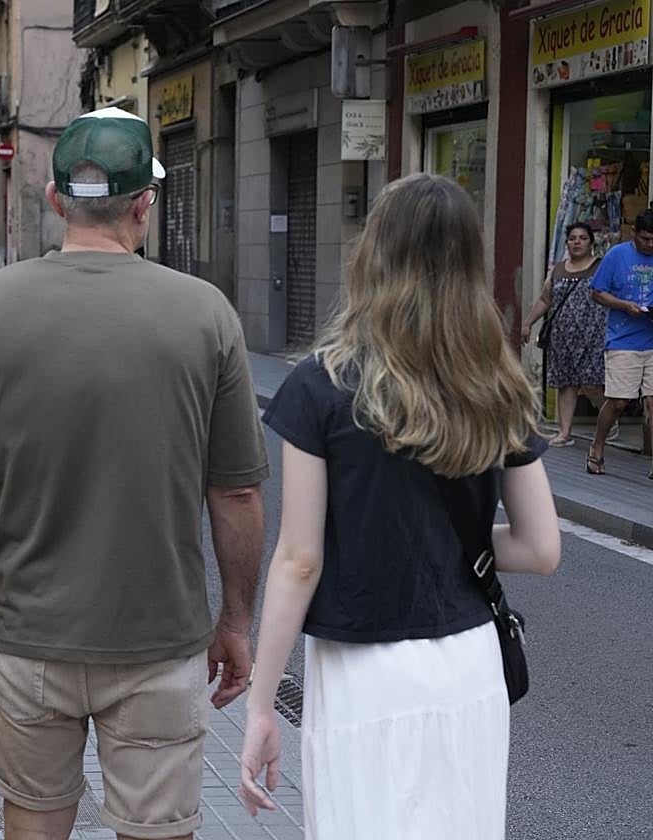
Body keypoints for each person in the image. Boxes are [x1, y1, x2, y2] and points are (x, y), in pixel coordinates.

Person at [0, 106, 270, 840]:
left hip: (28, 637)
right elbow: (235, 491)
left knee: (34, 825)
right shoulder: (206, 316)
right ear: (145, 204)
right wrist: (234, 621)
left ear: (53, 199)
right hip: (159, 641)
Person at [238, 174, 561, 840]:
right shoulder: (496, 380)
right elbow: (540, 548)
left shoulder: (321, 383)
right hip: (471, 669)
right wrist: (450, 546)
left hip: (365, 672)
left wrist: (262, 704)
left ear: (373, 256)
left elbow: (300, 560)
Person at [521, 223, 606, 446]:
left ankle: (609, 417)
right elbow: (545, 300)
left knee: (593, 383)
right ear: (566, 242)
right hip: (563, 338)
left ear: (590, 242)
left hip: (594, 337)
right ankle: (564, 432)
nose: (577, 242)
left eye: (582, 238)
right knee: (566, 384)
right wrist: (528, 322)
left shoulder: (601, 267)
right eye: (572, 238)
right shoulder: (557, 270)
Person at [586, 209, 653, 477]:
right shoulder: (617, 255)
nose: (650, 245)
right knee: (618, 402)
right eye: (646, 239)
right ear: (634, 234)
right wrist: (624, 306)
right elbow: (597, 292)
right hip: (623, 339)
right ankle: (597, 447)